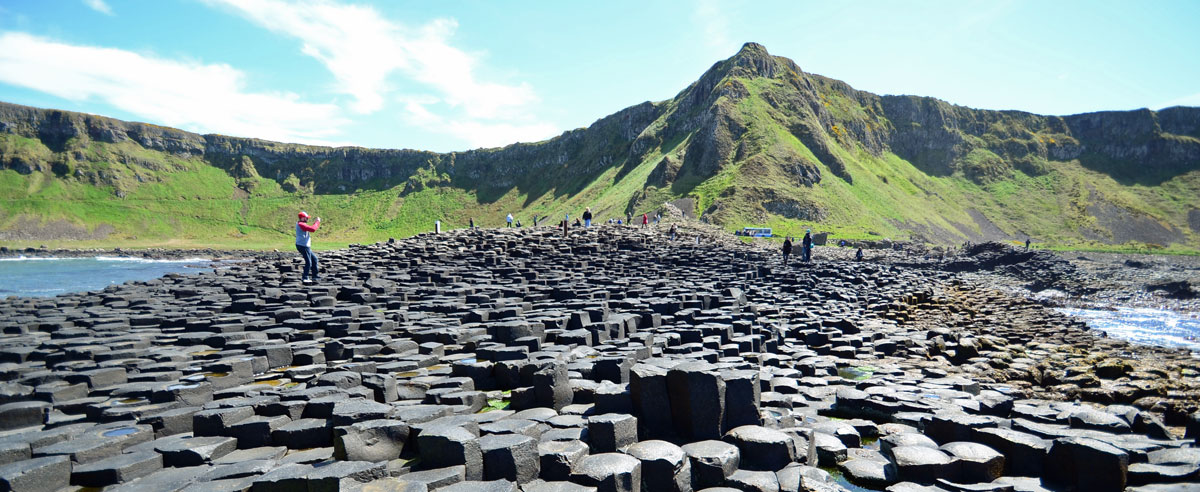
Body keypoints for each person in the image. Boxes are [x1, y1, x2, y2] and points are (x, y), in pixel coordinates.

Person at [295, 211, 321, 283]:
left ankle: (315, 276)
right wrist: (317, 222)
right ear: (302, 218)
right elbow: (313, 229)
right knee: (309, 262)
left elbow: (310, 228)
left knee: (314, 259)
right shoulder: (301, 224)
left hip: (304, 245)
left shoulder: (302, 224)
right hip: (303, 245)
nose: (307, 219)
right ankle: (305, 277)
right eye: (306, 218)